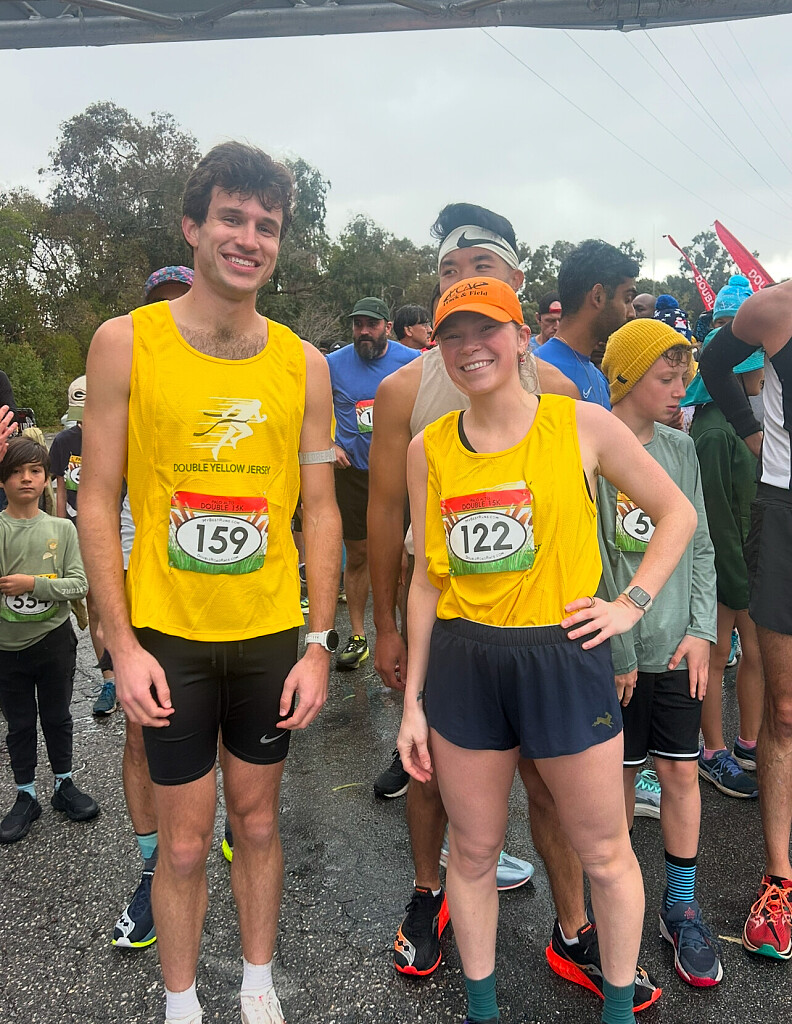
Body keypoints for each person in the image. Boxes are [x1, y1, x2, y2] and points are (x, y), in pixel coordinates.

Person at [78, 141, 341, 1024]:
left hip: (266, 633)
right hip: (168, 635)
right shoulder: (126, 342)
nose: (248, 238)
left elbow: (320, 511)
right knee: (185, 845)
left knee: (257, 825)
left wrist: (318, 643)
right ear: (192, 227)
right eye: (232, 217)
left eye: (266, 225)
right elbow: (97, 498)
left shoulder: (304, 363)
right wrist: (119, 642)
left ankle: (258, 988)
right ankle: (181, 1003)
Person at [398, 277, 695, 1024]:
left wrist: (629, 604)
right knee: (472, 853)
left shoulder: (581, 424)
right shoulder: (428, 449)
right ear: (438, 350)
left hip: (562, 658)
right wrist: (411, 704)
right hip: (466, 664)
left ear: (523, 337)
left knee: (606, 853)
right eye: (453, 335)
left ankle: (618, 1009)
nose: (471, 348)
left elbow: (676, 513)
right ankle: (483, 1009)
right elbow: (427, 581)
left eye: (487, 330)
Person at [371, 204, 601, 989]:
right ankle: (426, 894)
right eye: (448, 272)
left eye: (481, 268)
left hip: (544, 628)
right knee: (430, 769)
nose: (462, 281)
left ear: (516, 284)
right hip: (450, 622)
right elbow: (384, 518)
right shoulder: (405, 388)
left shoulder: (563, 391)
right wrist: (385, 627)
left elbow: (595, 521)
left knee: (550, 782)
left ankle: (573, 927)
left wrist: (620, 621)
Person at [598, 319, 722, 987]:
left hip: (676, 649)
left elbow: (697, 543)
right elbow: (589, 557)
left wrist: (701, 630)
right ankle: (618, 908)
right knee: (615, 782)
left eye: (684, 378)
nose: (680, 390)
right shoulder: (590, 447)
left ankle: (680, 906)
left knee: (679, 775)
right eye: (666, 378)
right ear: (625, 378)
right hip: (612, 657)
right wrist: (618, 647)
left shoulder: (681, 448)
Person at [698, 278, 792, 960]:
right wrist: (753, 432)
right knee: (785, 712)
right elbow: (711, 362)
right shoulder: (776, 309)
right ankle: (780, 879)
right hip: (784, 513)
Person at [111, 265, 195, 950]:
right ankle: (150, 866)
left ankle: (222, 831)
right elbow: (98, 510)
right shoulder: (119, 384)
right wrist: (110, 619)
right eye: (157, 309)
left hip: (230, 603)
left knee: (221, 735)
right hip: (147, 594)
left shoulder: (243, 380)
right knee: (142, 732)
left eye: (181, 304)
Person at [0, 436, 99, 844]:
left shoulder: (62, 529)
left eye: (35, 471)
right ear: (2, 480)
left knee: (57, 717)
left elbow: (79, 583)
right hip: (7, 649)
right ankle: (25, 795)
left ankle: (64, 783)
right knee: (19, 723)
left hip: (54, 642)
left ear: (46, 479)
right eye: (16, 472)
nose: (26, 478)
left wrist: (34, 584)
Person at [684, 317, 764, 800]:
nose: (764, 375)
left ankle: (748, 743)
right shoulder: (714, 433)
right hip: (723, 573)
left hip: (748, 567)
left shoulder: (739, 422)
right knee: (713, 660)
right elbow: (714, 518)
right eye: (757, 366)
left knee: (756, 654)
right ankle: (712, 752)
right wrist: (736, 585)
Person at [327, 296, 420, 671]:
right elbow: (306, 408)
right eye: (357, 324)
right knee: (359, 556)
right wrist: (329, 443)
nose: (363, 331)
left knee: (401, 560)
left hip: (400, 474)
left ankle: (405, 639)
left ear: (388, 327)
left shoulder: (411, 361)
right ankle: (358, 635)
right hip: (355, 473)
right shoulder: (333, 364)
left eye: (372, 324)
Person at [49, 376, 118, 716]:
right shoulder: (64, 442)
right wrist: (62, 534)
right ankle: (110, 681)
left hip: (121, 532)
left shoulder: (121, 437)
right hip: (81, 533)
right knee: (95, 604)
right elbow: (60, 491)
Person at [535, 240, 639, 408]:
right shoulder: (533, 374)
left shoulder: (597, 377)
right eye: (626, 299)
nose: (632, 313)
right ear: (598, 296)